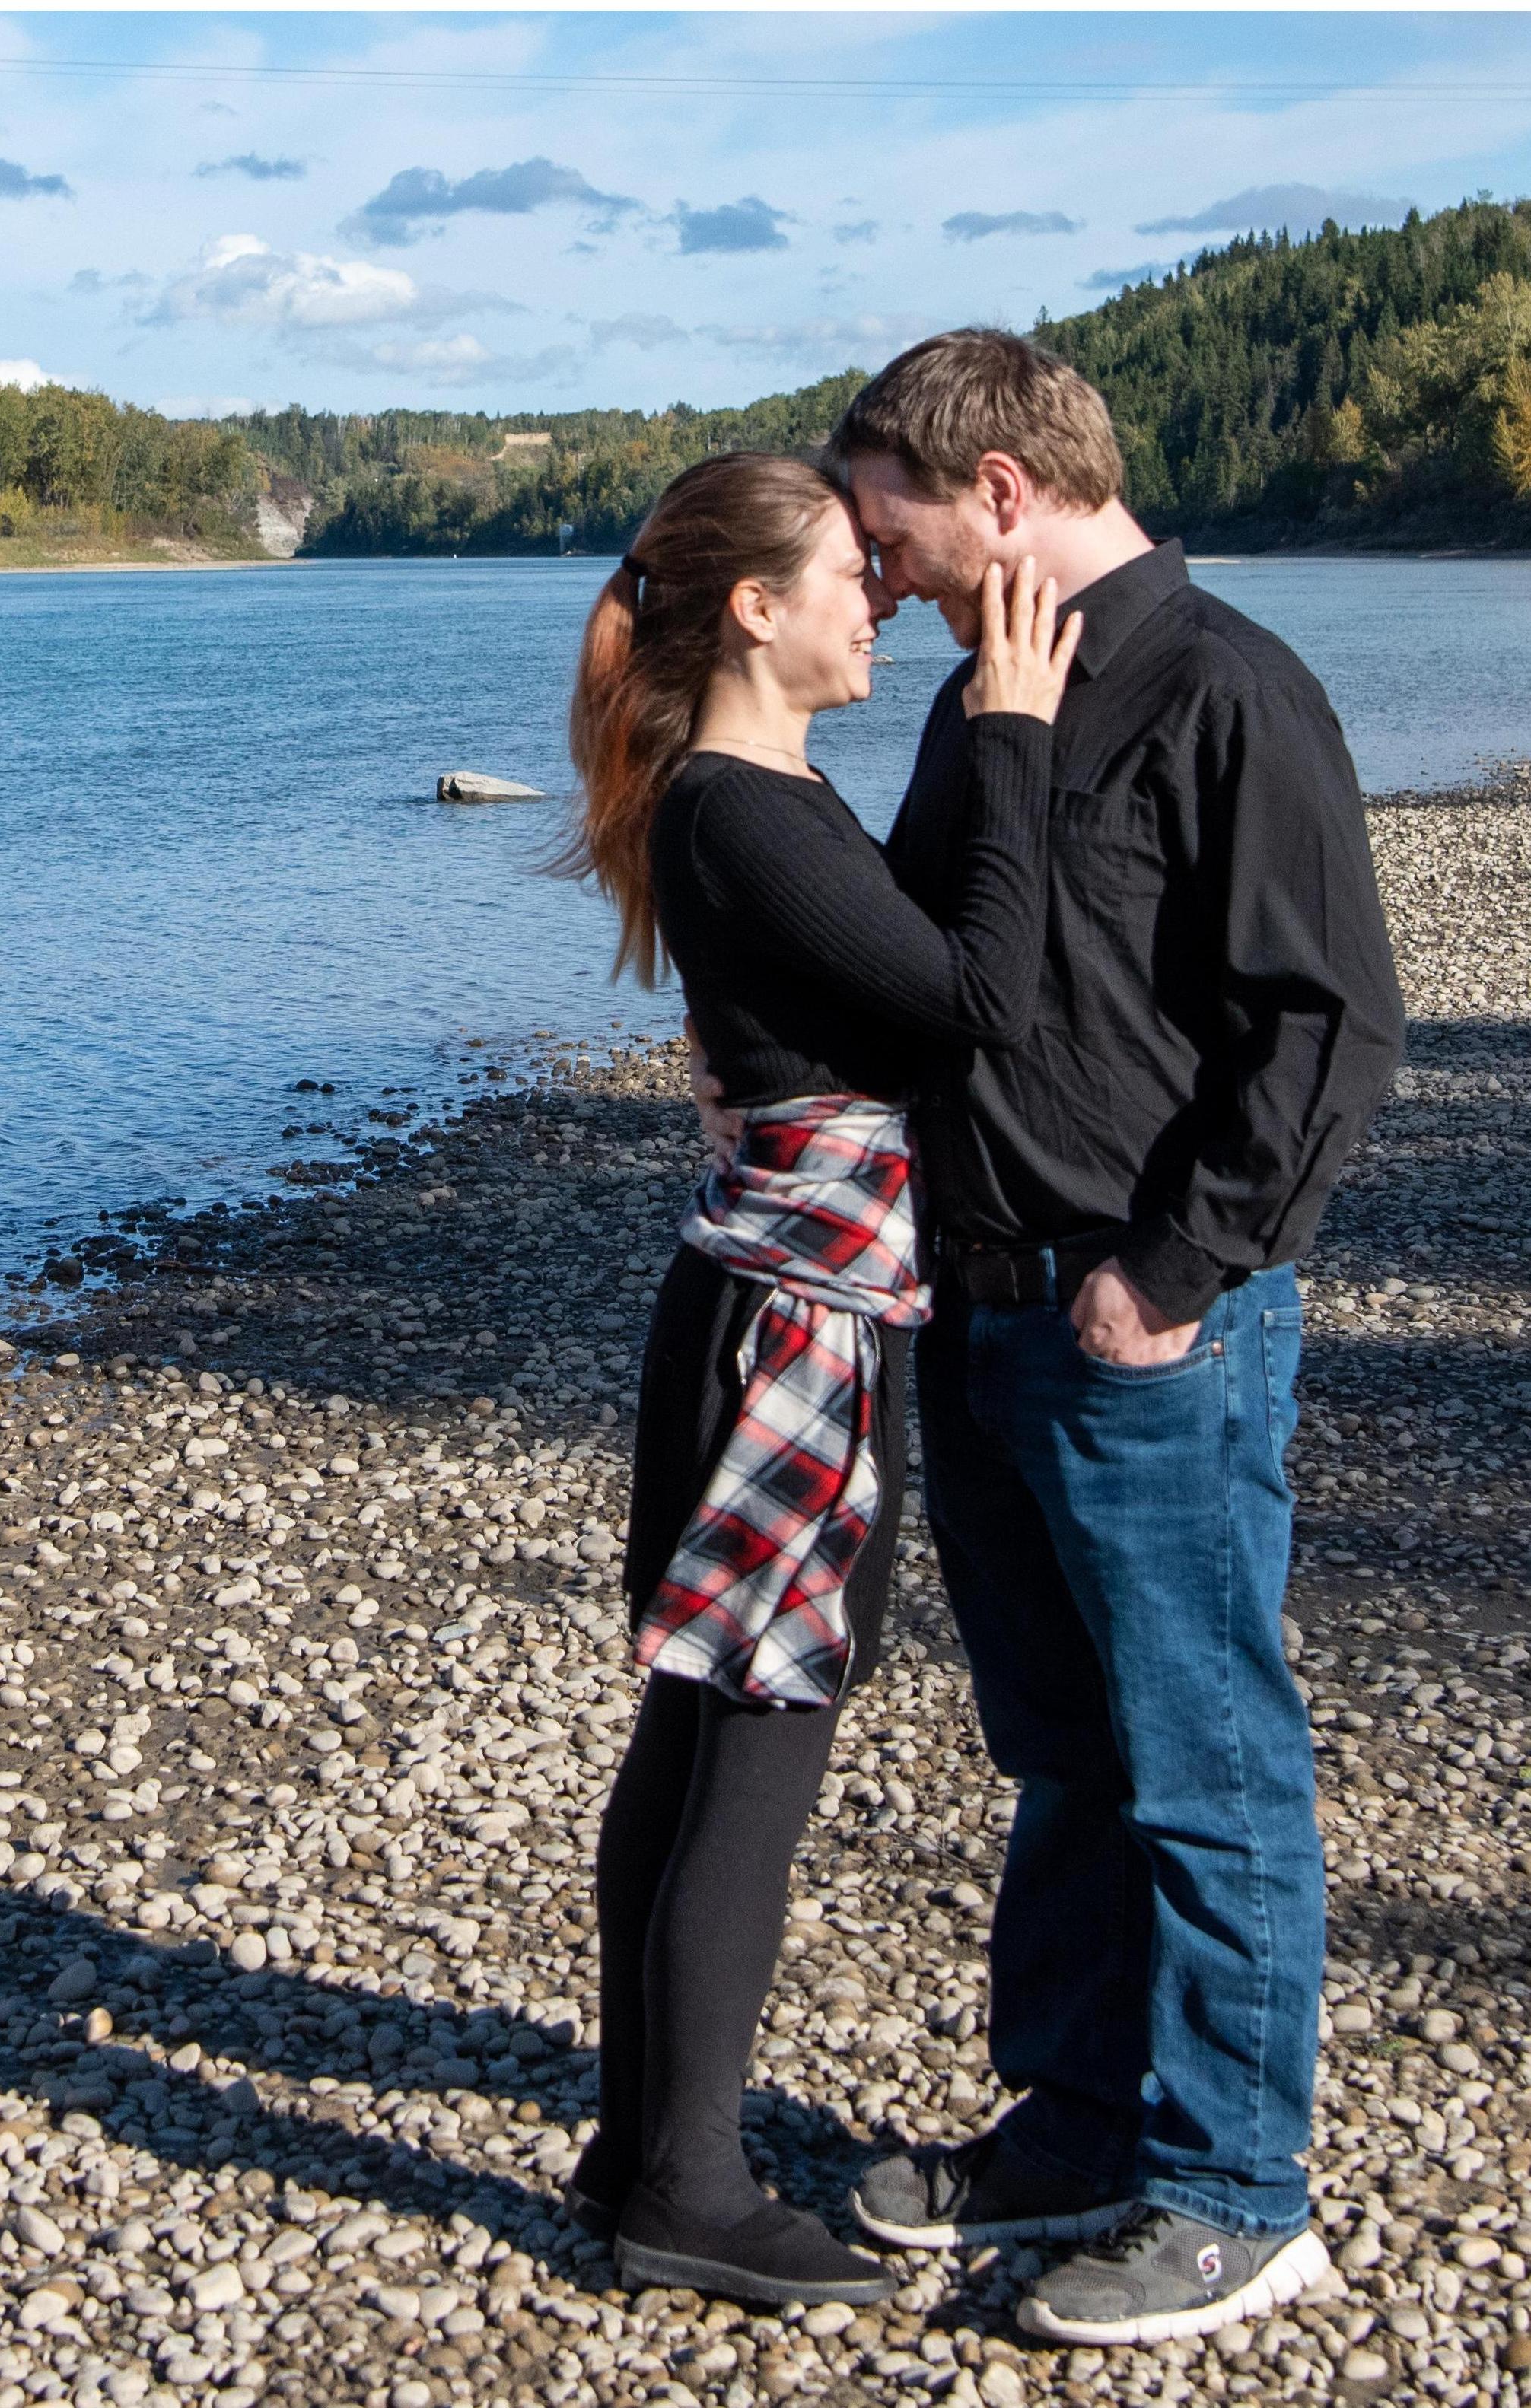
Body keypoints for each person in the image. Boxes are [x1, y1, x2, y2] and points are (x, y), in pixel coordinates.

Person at [794, 330, 1405, 2346]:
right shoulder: (990, 694)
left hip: (1136, 1323)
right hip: (972, 1304)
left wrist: (1171, 1269)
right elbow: (937, 963)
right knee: (1058, 1750)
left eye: (872, 513)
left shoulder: (1225, 683)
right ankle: (1069, 2125)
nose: (859, 558)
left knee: (1198, 1759)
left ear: (986, 487)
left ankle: (1236, 2188)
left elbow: (1324, 1030)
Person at [555, 449, 1082, 2306]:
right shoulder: (742, 807)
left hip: (765, 1298)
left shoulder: (759, 793)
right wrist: (1010, 734)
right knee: (754, 1750)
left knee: (701, 1732)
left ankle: (640, 2141)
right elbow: (974, 1008)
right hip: (790, 1322)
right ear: (756, 610)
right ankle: (685, 2185)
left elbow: (891, 985)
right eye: (849, 570)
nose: (880, 594)